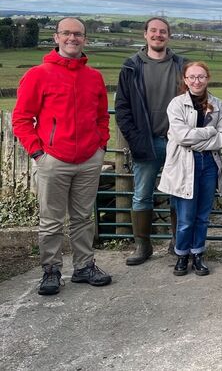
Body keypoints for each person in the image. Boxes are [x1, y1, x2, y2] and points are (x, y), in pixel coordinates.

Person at [12, 17, 112, 295]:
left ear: (85, 39)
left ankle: (83, 267)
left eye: (77, 34)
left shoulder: (94, 77)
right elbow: (21, 119)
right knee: (51, 220)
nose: (72, 38)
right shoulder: (38, 74)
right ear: (55, 37)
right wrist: (38, 153)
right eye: (66, 33)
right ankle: (51, 270)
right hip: (53, 159)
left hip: (88, 159)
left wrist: (100, 146)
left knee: (83, 218)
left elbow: (102, 117)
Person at [116, 17, 186, 265]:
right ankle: (142, 247)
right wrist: (135, 139)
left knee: (179, 193)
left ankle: (177, 243)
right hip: (146, 141)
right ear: (145, 34)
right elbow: (122, 109)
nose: (158, 35)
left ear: (169, 36)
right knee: (141, 195)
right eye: (153, 31)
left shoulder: (182, 65)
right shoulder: (131, 66)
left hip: (178, 143)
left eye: (163, 31)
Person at [157, 62, 222, 276]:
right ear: (185, 80)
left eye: (201, 77)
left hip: (208, 164)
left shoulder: (217, 104)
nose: (197, 81)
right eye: (192, 77)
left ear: (208, 78)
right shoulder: (176, 105)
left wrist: (200, 137)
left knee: (203, 215)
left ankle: (198, 254)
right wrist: (208, 132)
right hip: (184, 164)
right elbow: (181, 136)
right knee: (185, 217)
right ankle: (181, 255)